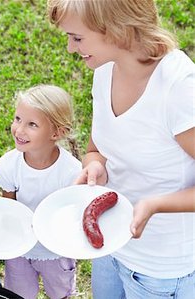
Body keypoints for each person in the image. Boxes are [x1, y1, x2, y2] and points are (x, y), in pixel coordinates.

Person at [47, 0, 195, 298]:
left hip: (160, 267)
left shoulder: (179, 88)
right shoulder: (105, 69)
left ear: (116, 30)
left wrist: (155, 205)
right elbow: (97, 147)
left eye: (76, 38)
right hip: (111, 244)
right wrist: (94, 164)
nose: (70, 48)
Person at [0, 84, 81, 299]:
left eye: (32, 124)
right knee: (18, 295)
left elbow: (72, 215)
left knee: (60, 294)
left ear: (57, 132)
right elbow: (9, 209)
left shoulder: (72, 172)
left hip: (56, 253)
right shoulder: (9, 165)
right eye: (17, 119)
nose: (19, 129)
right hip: (20, 250)